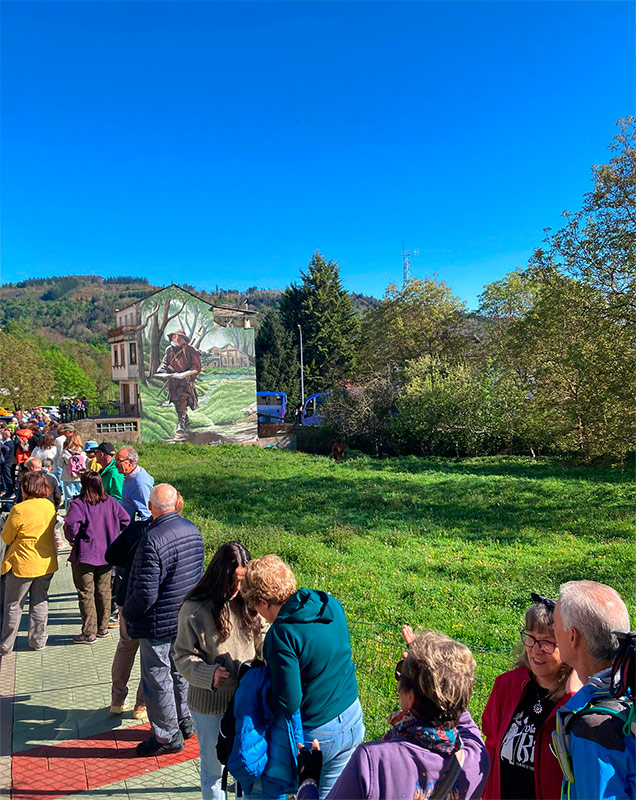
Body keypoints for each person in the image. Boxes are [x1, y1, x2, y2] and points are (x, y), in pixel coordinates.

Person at [296, 629, 490, 800]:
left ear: (411, 697)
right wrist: (439, 679)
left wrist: (308, 780)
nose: (398, 684)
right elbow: (459, 714)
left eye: (400, 676)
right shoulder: (475, 757)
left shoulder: (373, 762)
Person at [240, 555, 364, 798]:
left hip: (319, 735)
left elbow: (289, 701)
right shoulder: (327, 603)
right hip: (352, 716)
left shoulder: (281, 634)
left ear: (264, 602)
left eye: (254, 607)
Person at [175, 541, 267, 800]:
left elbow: (262, 636)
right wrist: (208, 674)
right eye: (233, 581)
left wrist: (273, 653)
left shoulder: (247, 601)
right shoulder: (194, 609)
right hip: (210, 705)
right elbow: (182, 656)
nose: (238, 589)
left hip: (246, 699)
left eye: (243, 580)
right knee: (214, 771)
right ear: (219, 575)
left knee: (246, 765)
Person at [123, 483, 204, 756]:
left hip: (158, 620)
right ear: (175, 504)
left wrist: (128, 611)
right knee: (180, 671)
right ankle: (185, 720)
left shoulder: (152, 539)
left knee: (157, 678)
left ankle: (166, 736)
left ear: (150, 508)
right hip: (185, 617)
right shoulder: (192, 530)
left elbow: (146, 593)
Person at [481, 594, 581, 800]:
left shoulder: (576, 702)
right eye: (531, 638)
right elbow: (491, 746)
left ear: (567, 645)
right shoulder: (507, 685)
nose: (536, 650)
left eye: (547, 642)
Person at [552, 580, 633, 800]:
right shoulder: (628, 694)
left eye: (555, 624)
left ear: (572, 637)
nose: (552, 631)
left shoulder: (594, 728)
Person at [64, 471, 130, 644]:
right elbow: (126, 519)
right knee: (104, 591)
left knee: (86, 593)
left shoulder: (79, 503)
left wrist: (72, 539)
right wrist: (115, 535)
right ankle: (103, 627)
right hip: (108, 554)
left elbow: (70, 524)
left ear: (83, 484)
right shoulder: (111, 502)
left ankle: (88, 632)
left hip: (85, 554)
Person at [0, 471, 58, 654]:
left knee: (14, 605)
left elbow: (7, 537)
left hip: (22, 564)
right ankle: (38, 640)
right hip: (45, 563)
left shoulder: (19, 509)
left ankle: (6, 644)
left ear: (26, 488)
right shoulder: (49, 506)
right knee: (40, 602)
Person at [154, 330, 202, 438]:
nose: (174, 339)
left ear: (183, 339)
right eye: (173, 337)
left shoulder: (191, 350)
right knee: (176, 402)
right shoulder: (169, 350)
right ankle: (186, 420)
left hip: (185, 382)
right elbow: (165, 363)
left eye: (177, 337)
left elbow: (196, 366)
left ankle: (181, 424)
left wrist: (188, 374)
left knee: (182, 399)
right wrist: (162, 370)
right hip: (173, 381)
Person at [115, 446, 154, 521]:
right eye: (115, 460)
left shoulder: (139, 483)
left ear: (131, 462)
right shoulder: (130, 476)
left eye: (119, 461)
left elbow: (146, 513)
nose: (115, 464)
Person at [57, 431, 86, 509]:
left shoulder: (65, 452)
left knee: (69, 497)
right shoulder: (82, 452)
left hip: (67, 477)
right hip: (80, 477)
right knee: (80, 496)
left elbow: (59, 465)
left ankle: (69, 512)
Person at [1, 430, 15, 498]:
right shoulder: (9, 443)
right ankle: (9, 491)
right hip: (8, 462)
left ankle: (11, 492)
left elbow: (6, 452)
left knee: (7, 477)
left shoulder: (8, 444)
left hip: (7, 463)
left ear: (5, 436)